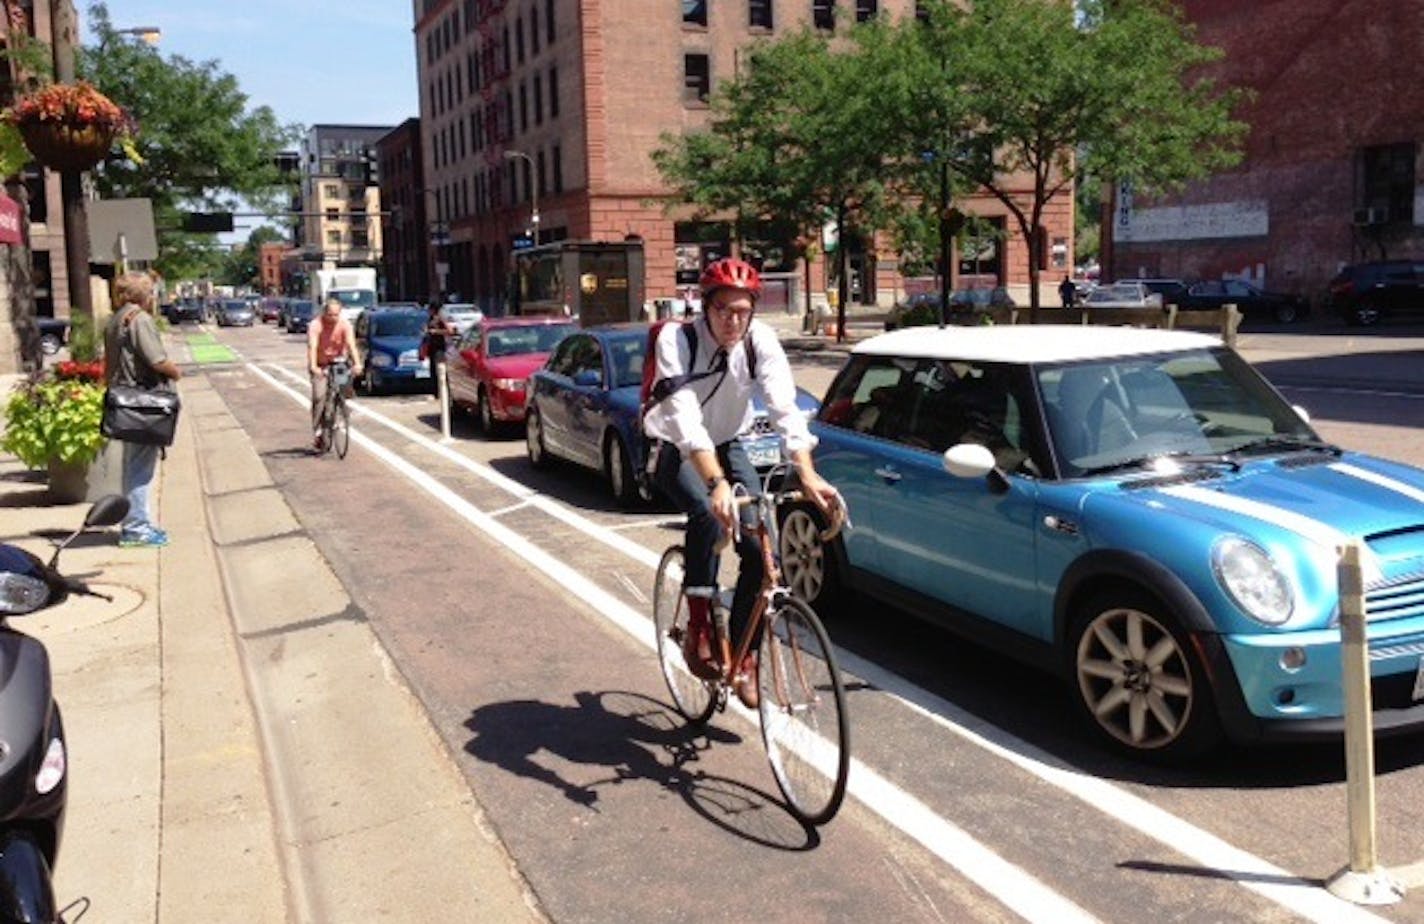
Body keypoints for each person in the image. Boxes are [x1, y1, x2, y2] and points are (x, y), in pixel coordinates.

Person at [643, 257, 839, 709]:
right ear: (705, 307)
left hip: (730, 440)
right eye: (723, 311)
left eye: (743, 311)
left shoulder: (759, 340)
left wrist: (806, 472)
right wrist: (715, 485)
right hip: (675, 446)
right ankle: (698, 627)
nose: (733, 321)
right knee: (708, 517)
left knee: (758, 546)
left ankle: (744, 660)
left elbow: (784, 408)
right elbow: (685, 420)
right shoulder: (677, 338)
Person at [103, 271, 182, 548]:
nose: (152, 297)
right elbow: (156, 360)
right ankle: (136, 528)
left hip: (123, 400)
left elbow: (109, 367)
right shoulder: (139, 320)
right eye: (150, 292)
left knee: (131, 465)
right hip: (143, 403)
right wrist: (175, 371)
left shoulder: (115, 320)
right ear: (141, 294)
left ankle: (134, 523)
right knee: (140, 468)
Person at [307, 296, 362, 451]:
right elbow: (312, 346)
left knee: (344, 386)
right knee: (319, 396)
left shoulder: (345, 325)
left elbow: (351, 345)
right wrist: (313, 366)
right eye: (330, 315)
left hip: (338, 362)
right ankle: (318, 430)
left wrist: (357, 363)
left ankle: (341, 405)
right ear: (324, 313)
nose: (333, 318)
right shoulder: (316, 325)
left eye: (336, 315)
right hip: (320, 363)